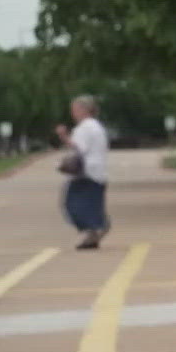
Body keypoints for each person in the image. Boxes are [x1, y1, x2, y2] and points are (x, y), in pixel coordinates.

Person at [55, 95, 110, 251]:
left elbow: (79, 147)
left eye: (75, 110)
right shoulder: (97, 126)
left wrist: (63, 136)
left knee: (73, 205)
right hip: (97, 172)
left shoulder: (85, 128)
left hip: (85, 174)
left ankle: (98, 227)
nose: (73, 113)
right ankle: (92, 236)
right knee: (90, 206)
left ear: (84, 110)